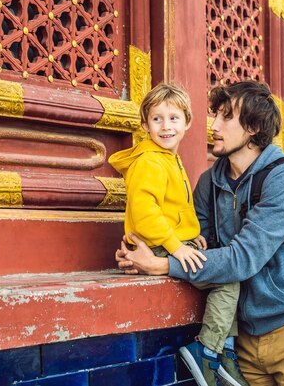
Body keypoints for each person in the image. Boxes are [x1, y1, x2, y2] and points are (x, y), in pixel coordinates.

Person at [116, 81, 284, 386]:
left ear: (253, 128)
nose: (214, 125)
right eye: (215, 115)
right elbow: (199, 249)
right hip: (243, 342)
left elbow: (241, 260)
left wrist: (163, 265)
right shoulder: (210, 181)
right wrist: (141, 249)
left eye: (226, 117)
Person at [108, 83, 249, 386]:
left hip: (168, 243)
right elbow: (146, 215)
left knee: (225, 272)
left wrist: (191, 236)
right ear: (144, 124)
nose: (165, 126)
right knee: (227, 278)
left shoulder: (169, 158)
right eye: (156, 119)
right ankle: (209, 351)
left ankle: (221, 353)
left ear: (187, 123)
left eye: (173, 118)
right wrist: (177, 246)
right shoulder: (149, 161)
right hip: (158, 247)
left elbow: (176, 208)